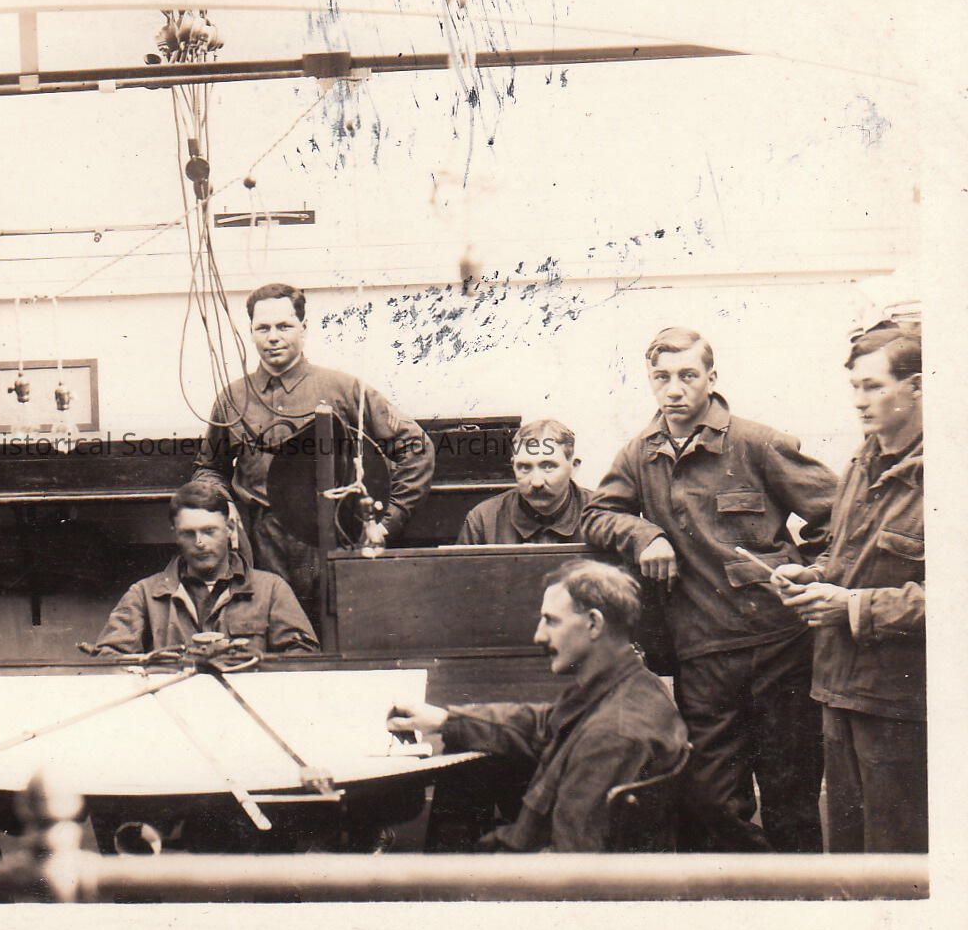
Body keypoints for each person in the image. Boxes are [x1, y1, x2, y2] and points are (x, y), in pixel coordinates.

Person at [581, 327, 838, 852]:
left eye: (687, 375)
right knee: (711, 801)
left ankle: (799, 900)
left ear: (711, 378)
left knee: (791, 798)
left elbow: (839, 515)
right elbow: (597, 515)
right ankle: (752, 894)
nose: (674, 389)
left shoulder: (757, 443)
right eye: (661, 377)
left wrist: (815, 572)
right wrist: (645, 534)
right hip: (702, 653)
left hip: (780, 647)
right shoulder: (638, 455)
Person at [388, 560, 687, 852]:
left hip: (537, 875)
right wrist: (445, 720)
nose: (539, 636)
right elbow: (544, 722)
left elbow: (570, 867)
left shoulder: (611, 736)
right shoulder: (633, 688)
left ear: (594, 623)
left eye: (551, 621)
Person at [192, 282, 433, 623]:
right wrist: (223, 505)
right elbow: (209, 468)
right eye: (263, 328)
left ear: (303, 328)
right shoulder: (232, 398)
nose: (273, 337)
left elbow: (416, 448)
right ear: (251, 332)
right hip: (260, 544)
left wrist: (385, 523)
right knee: (271, 633)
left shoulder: (342, 389)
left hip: (328, 539)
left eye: (284, 326)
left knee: (332, 630)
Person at [773, 323, 925, 852]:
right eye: (855, 387)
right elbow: (846, 559)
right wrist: (812, 577)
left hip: (902, 703)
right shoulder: (861, 463)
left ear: (918, 387)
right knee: (847, 853)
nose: (859, 401)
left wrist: (853, 607)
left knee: (897, 857)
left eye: (874, 387)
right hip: (839, 689)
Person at [92, 480, 319, 656]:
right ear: (175, 534)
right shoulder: (145, 595)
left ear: (230, 528)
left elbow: (302, 657)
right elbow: (108, 659)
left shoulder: (271, 590)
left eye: (209, 531)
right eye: (188, 533)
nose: (200, 542)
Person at [455, 418, 591, 545]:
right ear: (513, 466)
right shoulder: (483, 520)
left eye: (548, 467)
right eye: (525, 468)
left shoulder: (599, 515)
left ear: (574, 466)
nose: (537, 482)